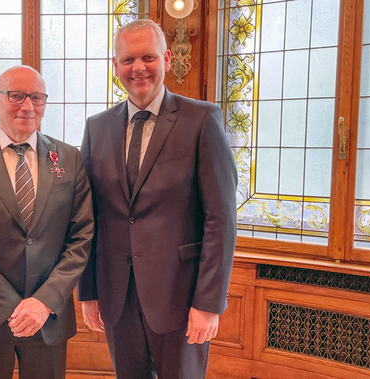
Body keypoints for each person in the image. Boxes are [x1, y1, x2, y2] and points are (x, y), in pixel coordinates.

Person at [77, 19, 238, 379]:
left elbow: (221, 219)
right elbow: (87, 217)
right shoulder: (97, 128)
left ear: (166, 58)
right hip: (116, 296)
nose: (138, 68)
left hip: (180, 298)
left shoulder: (202, 119)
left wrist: (208, 303)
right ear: (115, 66)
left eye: (148, 57)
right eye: (128, 59)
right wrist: (87, 291)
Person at [0, 65, 94, 379]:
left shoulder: (68, 158)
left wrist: (43, 302)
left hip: (47, 319)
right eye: (16, 96)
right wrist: (13, 307)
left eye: (36, 97)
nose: (27, 106)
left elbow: (81, 238)